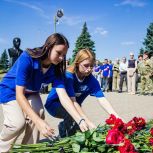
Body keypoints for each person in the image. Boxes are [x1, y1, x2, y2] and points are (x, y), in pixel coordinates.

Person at [0, 33, 88, 152]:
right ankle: (2, 148)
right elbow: (19, 94)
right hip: (11, 91)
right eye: (58, 53)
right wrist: (38, 121)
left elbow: (63, 96)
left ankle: (28, 149)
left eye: (64, 55)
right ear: (48, 47)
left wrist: (80, 119)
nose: (61, 58)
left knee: (39, 113)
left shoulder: (56, 69)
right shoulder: (27, 57)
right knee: (17, 123)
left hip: (31, 92)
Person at [45, 49, 121, 138]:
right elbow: (73, 102)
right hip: (54, 105)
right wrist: (89, 122)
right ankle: (65, 139)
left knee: (79, 124)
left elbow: (102, 99)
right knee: (77, 121)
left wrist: (117, 117)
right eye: (86, 65)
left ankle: (63, 127)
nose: (89, 69)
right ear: (77, 63)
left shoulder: (91, 80)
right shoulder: (68, 76)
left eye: (92, 66)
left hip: (74, 106)